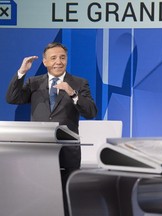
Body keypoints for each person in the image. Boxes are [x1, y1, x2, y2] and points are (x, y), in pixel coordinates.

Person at [6, 42, 97, 216]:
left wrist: (72, 94)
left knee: (65, 199)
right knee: (37, 197)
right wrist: (22, 72)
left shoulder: (78, 83)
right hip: (38, 151)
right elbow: (12, 98)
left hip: (67, 151)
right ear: (45, 61)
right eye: (53, 58)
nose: (58, 62)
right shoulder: (34, 82)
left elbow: (91, 112)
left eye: (62, 57)